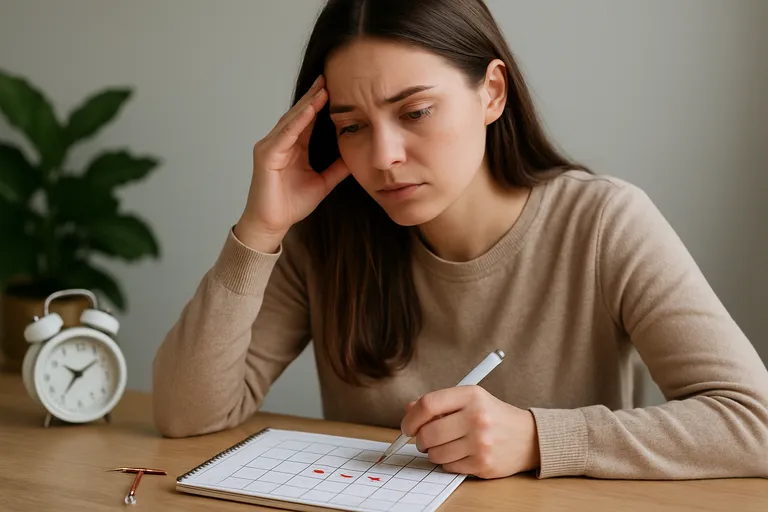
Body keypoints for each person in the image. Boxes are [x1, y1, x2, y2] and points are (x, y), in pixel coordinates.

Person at [152, 0, 768, 480]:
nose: (384, 157)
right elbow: (186, 416)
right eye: (352, 126)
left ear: (492, 92)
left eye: (415, 111)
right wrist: (258, 232)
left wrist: (535, 437)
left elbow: (755, 422)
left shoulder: (603, 222)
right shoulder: (326, 235)